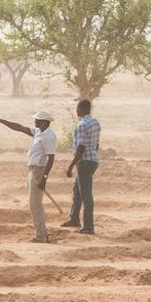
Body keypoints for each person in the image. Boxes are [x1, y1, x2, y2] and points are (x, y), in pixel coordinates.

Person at [0, 110, 57, 243]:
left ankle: (40, 236)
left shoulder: (49, 136)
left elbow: (51, 158)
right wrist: (1, 120)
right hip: (32, 169)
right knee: (35, 204)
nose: (34, 121)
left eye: (36, 120)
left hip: (38, 171)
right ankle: (42, 234)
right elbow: (19, 127)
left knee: (35, 204)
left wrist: (44, 178)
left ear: (43, 122)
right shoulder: (38, 131)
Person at [63, 98, 101, 234]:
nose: (76, 110)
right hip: (93, 160)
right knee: (77, 191)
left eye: (77, 108)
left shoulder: (82, 125)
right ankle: (74, 218)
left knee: (85, 195)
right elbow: (96, 144)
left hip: (84, 161)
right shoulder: (95, 123)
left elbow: (80, 147)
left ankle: (88, 226)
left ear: (82, 109)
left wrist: (71, 166)